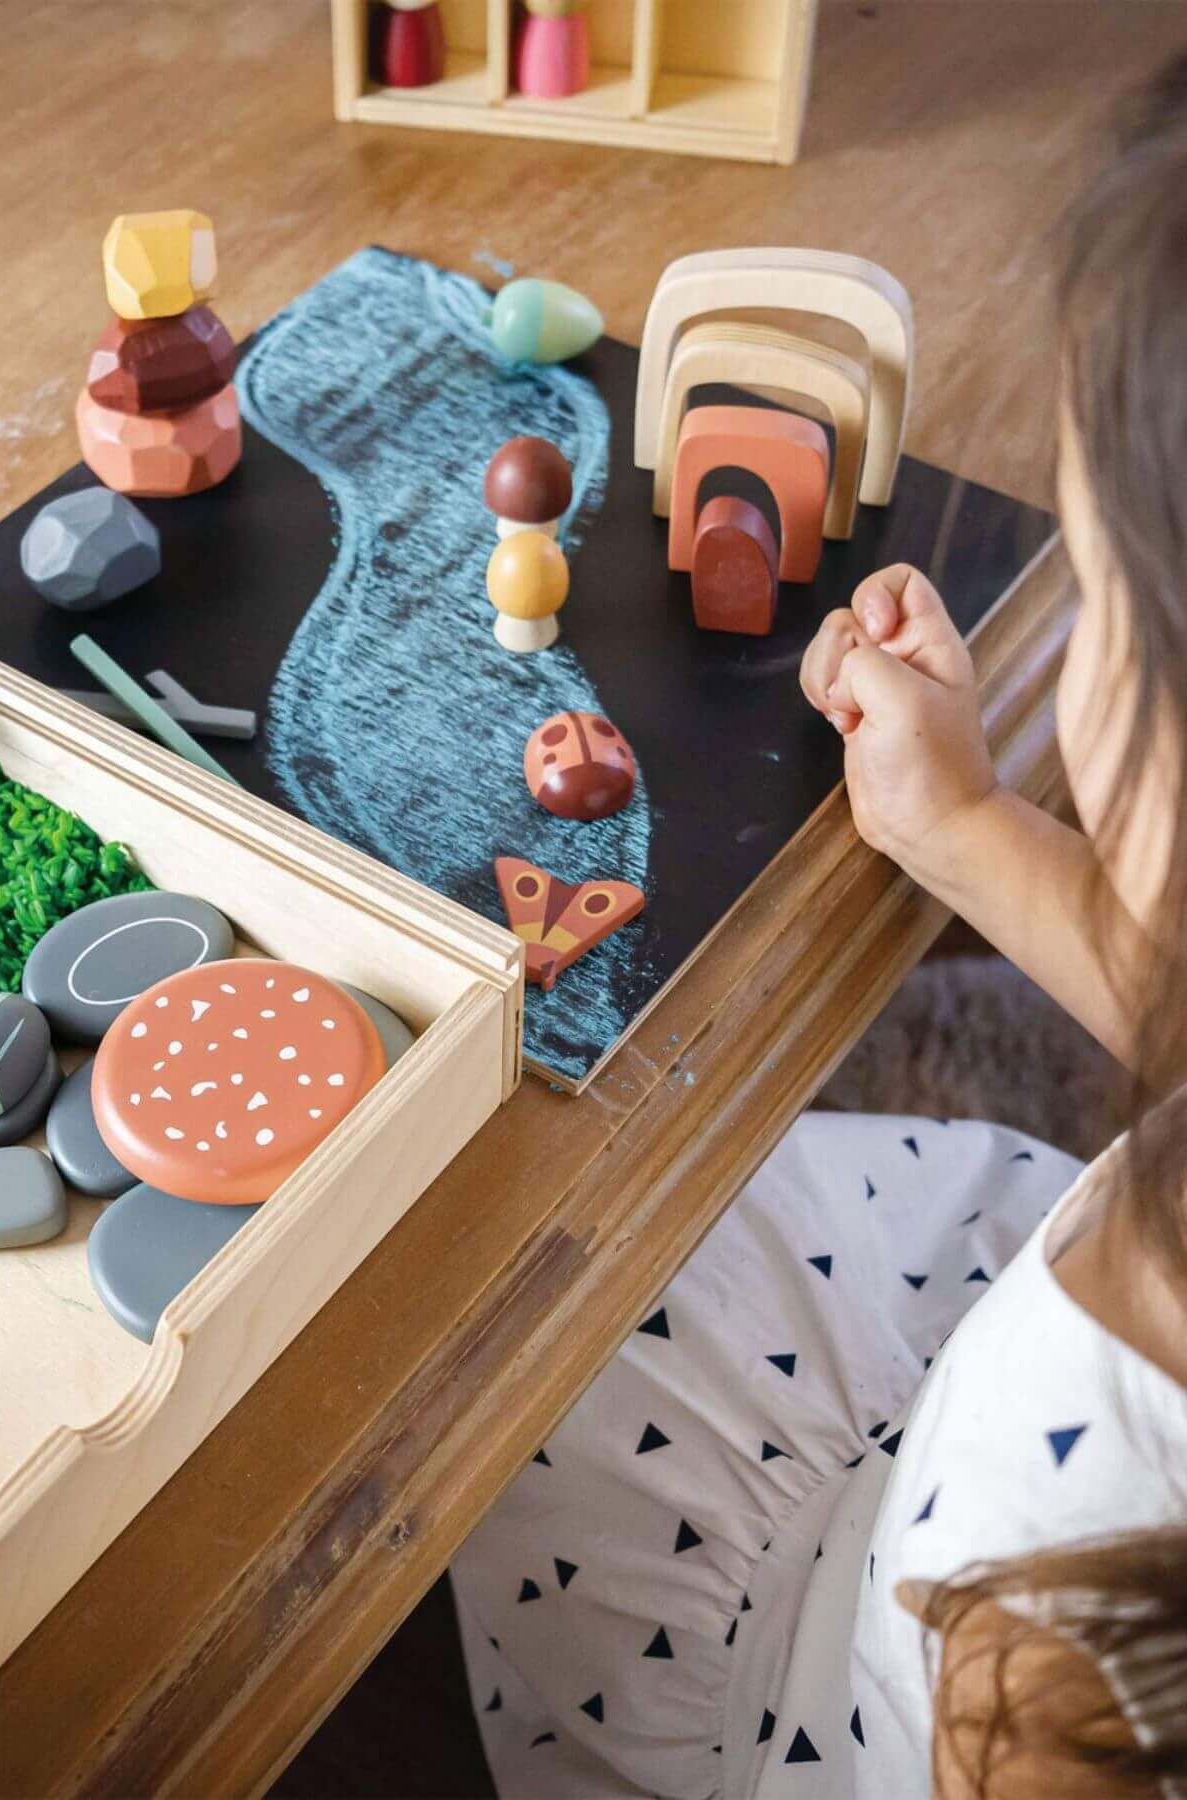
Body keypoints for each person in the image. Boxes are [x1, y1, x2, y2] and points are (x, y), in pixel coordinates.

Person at [451, 59, 1187, 1800]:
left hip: (861, 1665)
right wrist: (972, 829)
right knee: (670, 1227)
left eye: (1093, 602)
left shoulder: (1073, 1675)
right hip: (946, 1387)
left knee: (515, 1321)